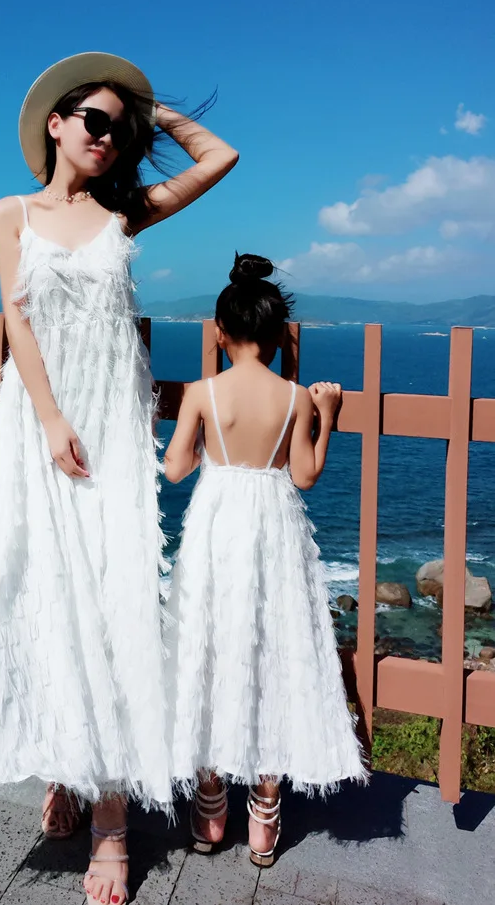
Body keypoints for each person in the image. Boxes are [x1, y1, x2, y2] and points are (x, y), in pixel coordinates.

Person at [0, 52, 238, 905]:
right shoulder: (11, 211)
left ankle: (111, 818)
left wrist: (154, 112)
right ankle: (65, 763)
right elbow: (16, 318)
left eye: (119, 128)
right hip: (39, 423)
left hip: (114, 430)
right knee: (43, 594)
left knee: (110, 599)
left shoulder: (124, 213)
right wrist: (51, 418)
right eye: (94, 119)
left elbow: (221, 157)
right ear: (54, 124)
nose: (107, 137)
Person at [163, 252, 367, 868]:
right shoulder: (296, 397)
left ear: (220, 334)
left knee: (209, 645)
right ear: (279, 338)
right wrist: (327, 417)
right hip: (275, 529)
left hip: (217, 529)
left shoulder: (202, 392)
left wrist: (198, 446)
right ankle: (265, 807)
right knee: (275, 648)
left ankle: (210, 800)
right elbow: (304, 475)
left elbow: (175, 468)